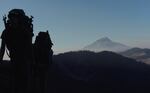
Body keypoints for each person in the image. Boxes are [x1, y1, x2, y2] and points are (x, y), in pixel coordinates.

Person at [0, 9, 34, 93]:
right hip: (17, 60)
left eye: (14, 18)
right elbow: (2, 48)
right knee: (16, 83)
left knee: (21, 84)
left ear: (19, 19)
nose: (12, 19)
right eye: (11, 18)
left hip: (24, 60)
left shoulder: (24, 31)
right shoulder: (7, 31)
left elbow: (29, 47)